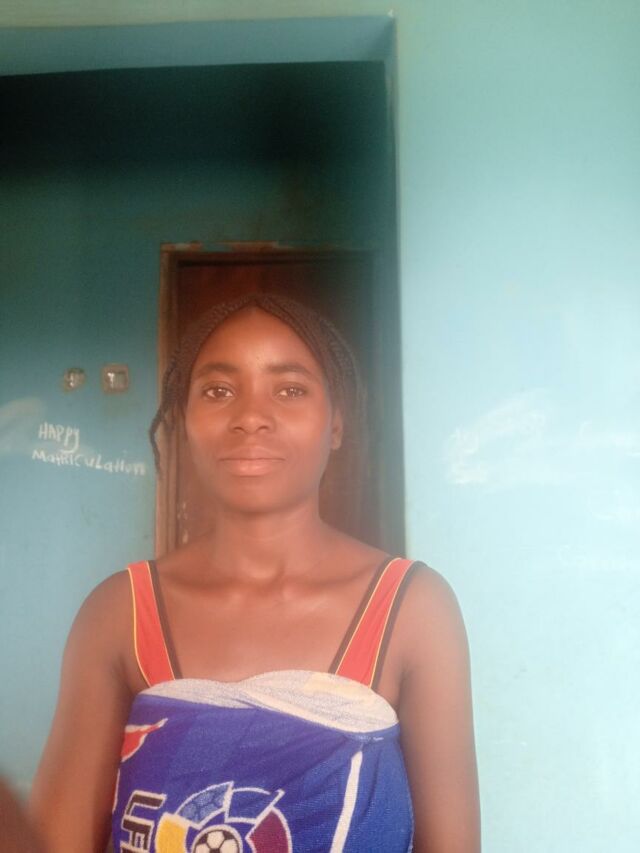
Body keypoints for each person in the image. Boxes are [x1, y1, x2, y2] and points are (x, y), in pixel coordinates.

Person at [30, 292, 480, 852]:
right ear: (183, 420)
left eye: (290, 390)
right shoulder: (120, 612)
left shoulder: (412, 608)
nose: (249, 417)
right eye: (218, 391)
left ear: (336, 425)